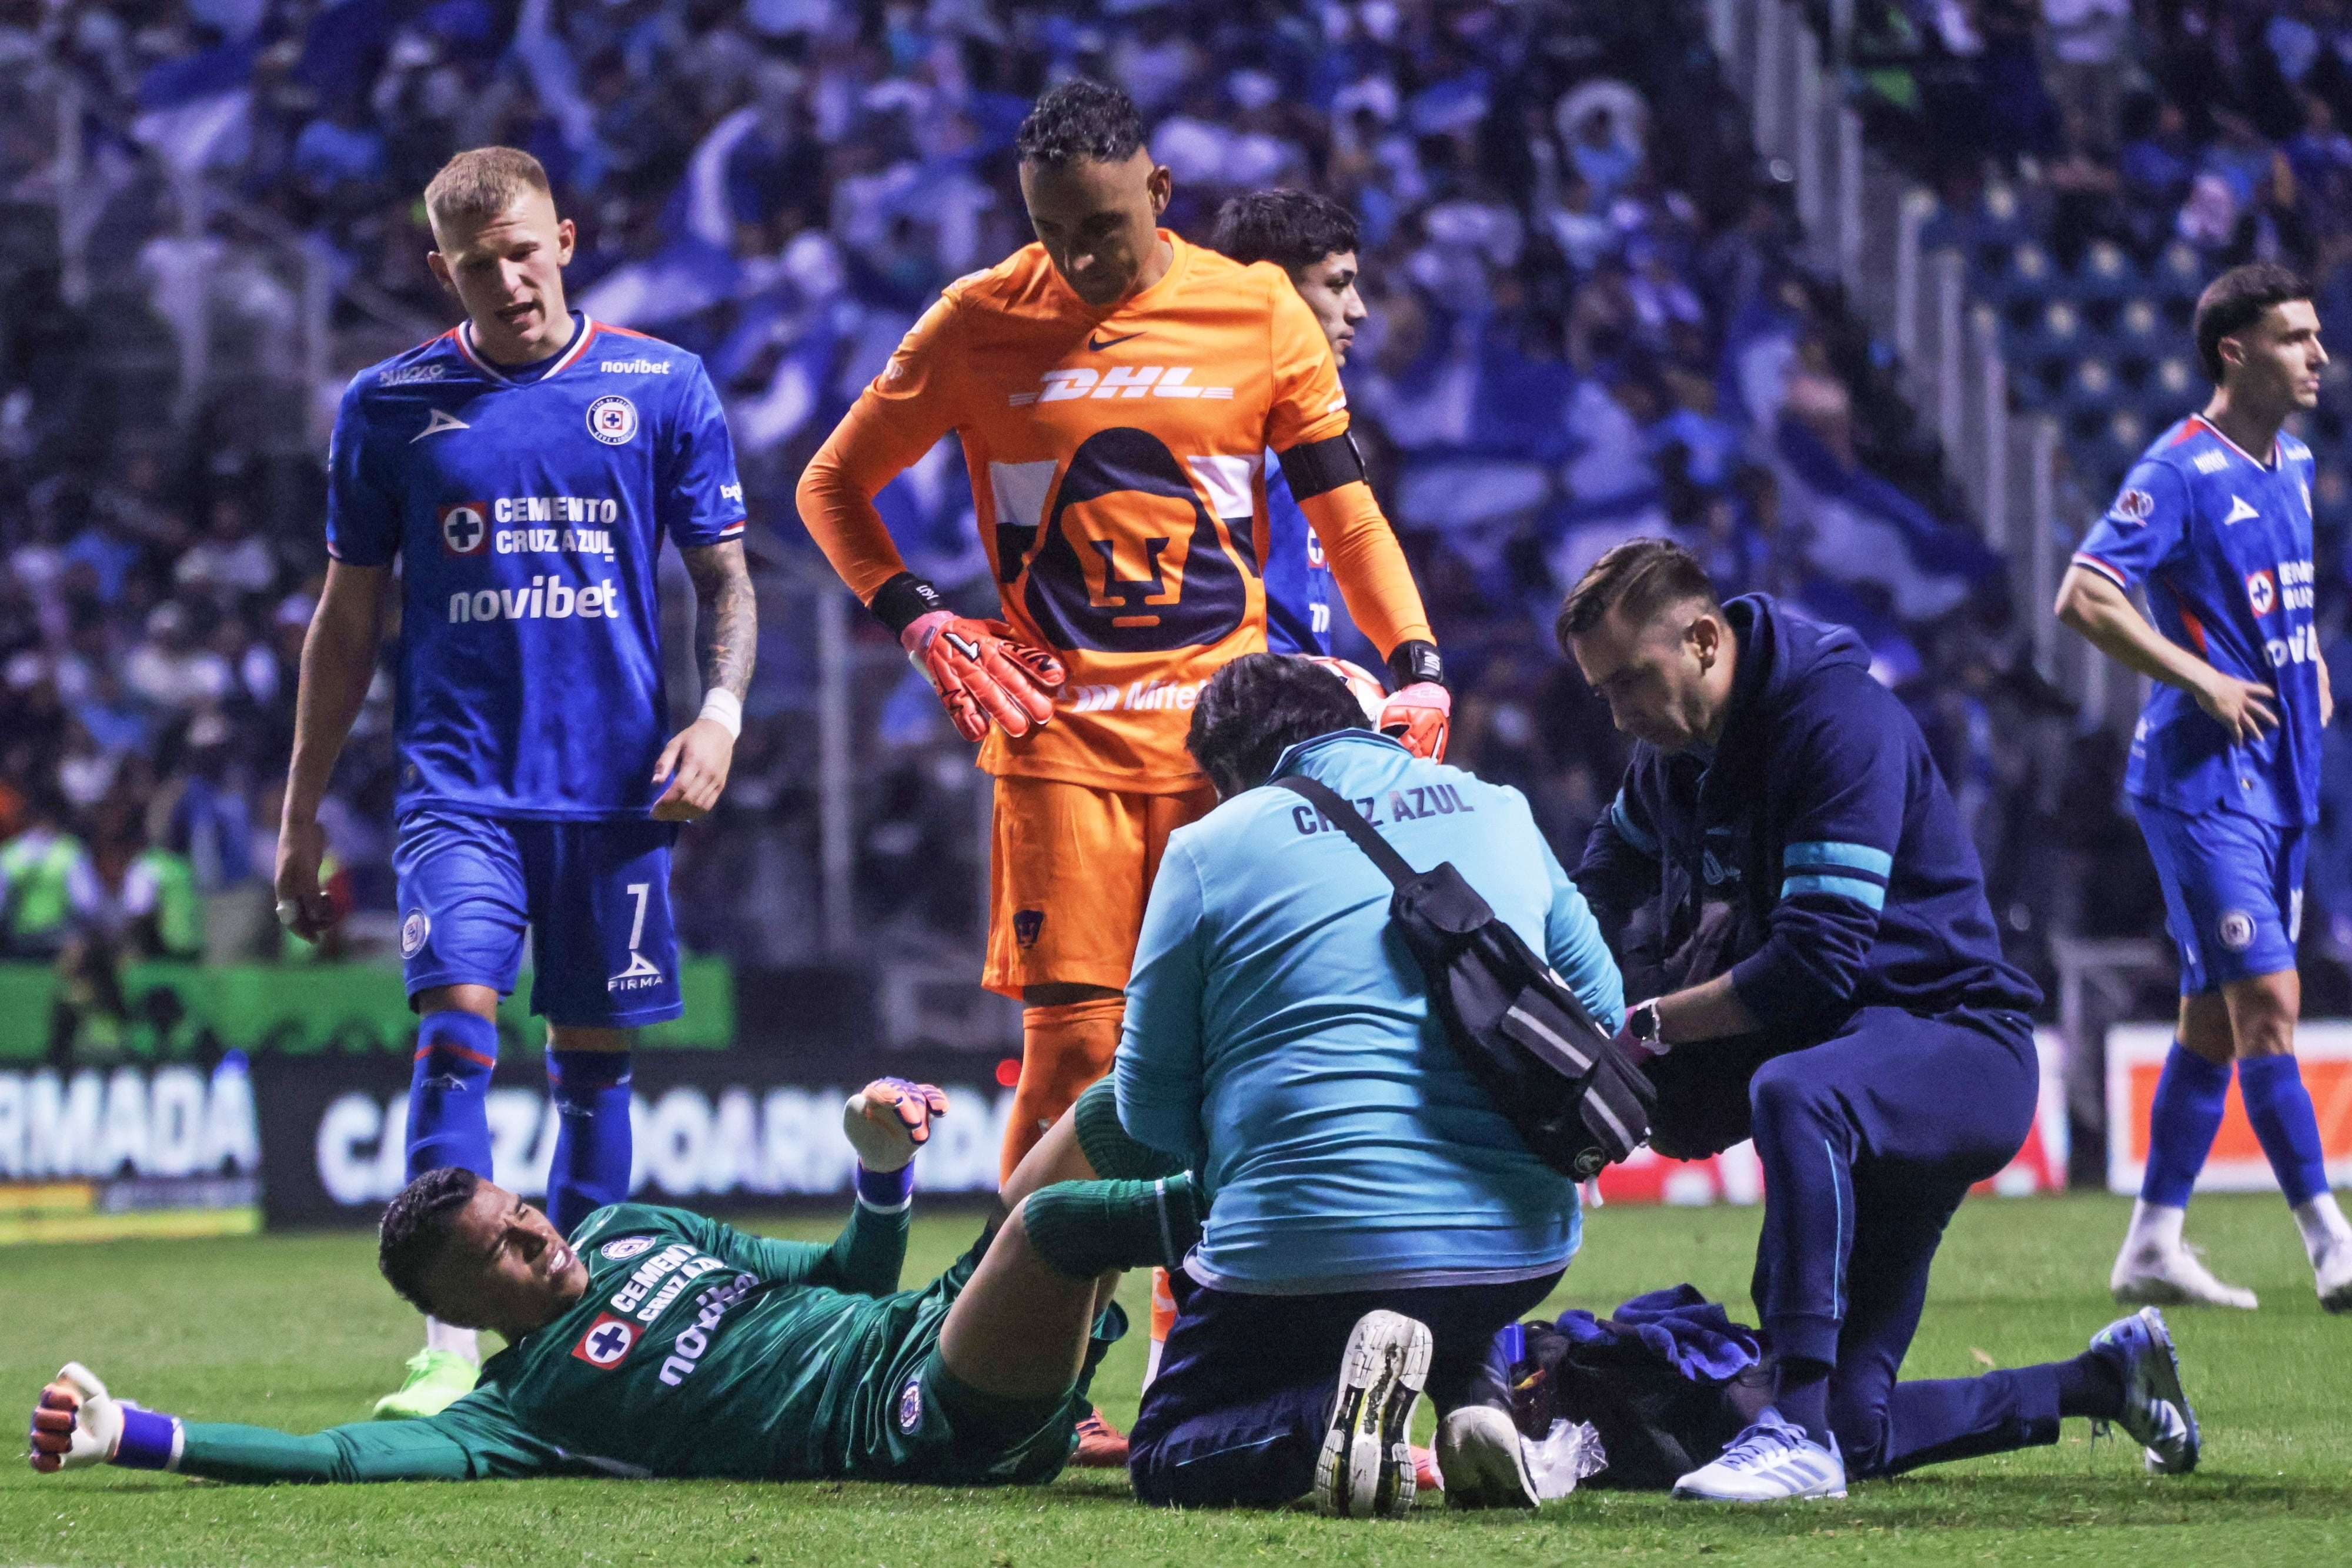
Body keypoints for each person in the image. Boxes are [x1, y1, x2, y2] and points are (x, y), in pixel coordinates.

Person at [795, 80, 1448, 1191]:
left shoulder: (1259, 312)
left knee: (1230, 1048)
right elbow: (831, 485)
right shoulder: (977, 319)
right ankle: (1022, 1309)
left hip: (1228, 751)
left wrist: (1418, 664)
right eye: (1049, 229)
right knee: (1075, 1056)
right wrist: (921, 616)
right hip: (1060, 745)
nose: (1077, 257)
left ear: (1160, 190)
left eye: (1101, 226)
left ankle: (1191, 1310)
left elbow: (1347, 515)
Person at [272, 145, 757, 1420]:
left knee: (594, 1070)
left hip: (616, 795)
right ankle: (447, 1343)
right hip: (460, 789)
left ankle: (569, 1353)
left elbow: (725, 579)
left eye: (526, 251)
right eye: (478, 264)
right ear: (443, 272)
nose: (510, 280)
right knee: (455, 1035)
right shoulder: (388, 405)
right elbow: (345, 620)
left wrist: (718, 716)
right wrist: (300, 811)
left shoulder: (661, 384)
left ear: (566, 240)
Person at [1563, 540, 2199, 1501]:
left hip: (1956, 1044)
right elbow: (1596, 884)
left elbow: (1817, 961)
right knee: (1859, 1426)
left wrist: (1643, 1026)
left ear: (1702, 641)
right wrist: (1566, 1009)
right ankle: (2109, 1378)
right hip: (1856, 1063)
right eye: (1600, 691)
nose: (1617, 714)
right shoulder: (1675, 762)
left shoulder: (1836, 721)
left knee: (1795, 1092)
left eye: (1628, 681)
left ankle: (1793, 1429)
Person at [28, 1080, 1199, 1486]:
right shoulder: (515, 1414)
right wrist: (131, 1431)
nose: (535, 1235)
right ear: (466, 1311)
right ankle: (1294, 1224)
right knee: (1056, 1224)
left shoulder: (632, 1228)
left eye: (519, 1211)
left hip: (925, 1320)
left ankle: (1286, 1143)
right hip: (922, 1419)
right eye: (502, 1249)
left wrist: (881, 1172)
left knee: (1107, 1113)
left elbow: (846, 1276)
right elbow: (333, 1455)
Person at [1083, 653, 1616, 1516]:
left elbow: (1143, 1107)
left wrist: (1234, 1143)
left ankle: (1329, 1412)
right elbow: (1603, 1004)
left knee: (1167, 1449)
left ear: (1228, 772)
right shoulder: (1500, 806)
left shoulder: (1209, 846)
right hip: (1520, 1248)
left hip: (1301, 1247)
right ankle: (1477, 1400)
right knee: (1435, 1268)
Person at [2056, 261, 2352, 1313]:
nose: (2319, 355)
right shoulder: (2178, 469)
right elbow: (2084, 595)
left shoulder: (2295, 464)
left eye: (2317, 335)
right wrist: (2203, 678)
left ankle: (2152, 1242)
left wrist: (2305, 666)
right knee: (2270, 1002)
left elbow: (2278, 600)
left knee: (2214, 1023)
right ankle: (2331, 1241)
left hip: (2281, 775)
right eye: (2295, 338)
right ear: (2235, 351)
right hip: (2199, 782)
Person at [1208, 189, 1373, 658]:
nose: (1358, 309)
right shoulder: (1221, 428)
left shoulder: (1305, 414)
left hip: (1293, 685)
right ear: (1272, 290)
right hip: (1242, 691)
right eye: (1338, 285)